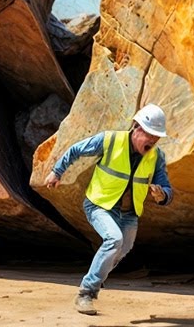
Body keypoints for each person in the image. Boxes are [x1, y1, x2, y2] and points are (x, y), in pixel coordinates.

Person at [44, 104, 174, 316]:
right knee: (114, 240)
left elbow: (167, 188)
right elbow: (76, 150)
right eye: (150, 134)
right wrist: (57, 172)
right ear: (136, 128)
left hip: (129, 213)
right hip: (99, 204)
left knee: (124, 248)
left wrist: (163, 196)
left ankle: (98, 275)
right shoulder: (110, 140)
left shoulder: (156, 157)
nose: (153, 140)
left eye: (157, 137)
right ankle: (87, 293)